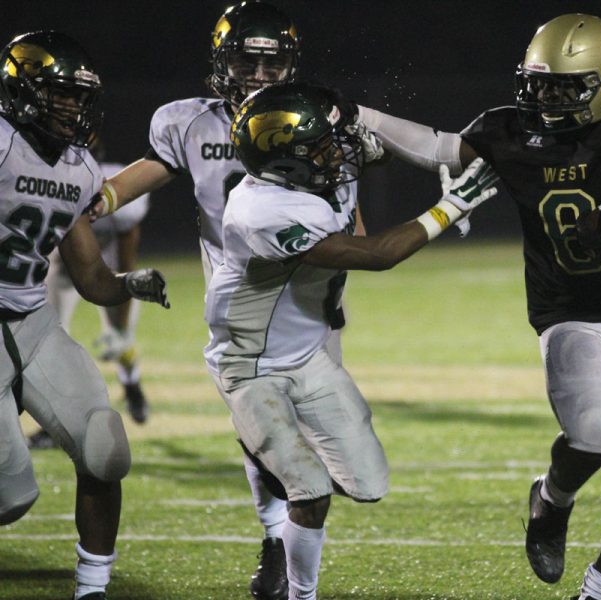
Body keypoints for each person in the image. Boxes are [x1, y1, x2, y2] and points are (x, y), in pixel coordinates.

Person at [354, 13, 601, 600]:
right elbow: (437, 148)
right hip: (566, 314)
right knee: (597, 434)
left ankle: (598, 592)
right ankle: (551, 501)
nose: (547, 97)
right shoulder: (507, 132)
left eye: (565, 86)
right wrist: (361, 115)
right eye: (538, 83)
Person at [87, 3, 380, 597]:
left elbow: (355, 230)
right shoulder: (190, 123)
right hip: (241, 302)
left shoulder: (313, 120)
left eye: (274, 62)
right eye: (248, 58)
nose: (261, 73)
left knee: (316, 439)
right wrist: (95, 199)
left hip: (306, 300)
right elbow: (146, 172)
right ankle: (277, 540)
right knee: (263, 429)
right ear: (223, 60)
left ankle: (291, 533)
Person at [210, 80, 497, 600]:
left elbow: (356, 167)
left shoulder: (311, 178)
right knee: (311, 489)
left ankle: (278, 463)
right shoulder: (260, 210)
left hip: (307, 356)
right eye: (322, 145)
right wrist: (447, 209)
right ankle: (301, 591)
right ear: (287, 161)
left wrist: (364, 148)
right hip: (252, 366)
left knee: (368, 484)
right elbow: (374, 255)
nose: (337, 151)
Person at [0, 31, 170, 600]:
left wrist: (129, 285)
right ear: (21, 90)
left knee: (104, 444)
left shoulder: (77, 169)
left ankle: (92, 590)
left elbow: (91, 277)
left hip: (31, 318)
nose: (73, 107)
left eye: (78, 97)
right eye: (59, 94)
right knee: (9, 496)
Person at [28, 140, 152, 451]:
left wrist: (121, 327)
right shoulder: (47, 179)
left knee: (121, 339)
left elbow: (127, 260)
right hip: (61, 265)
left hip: (106, 267)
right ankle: (50, 423)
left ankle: (131, 383)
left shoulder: (115, 195)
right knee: (48, 341)